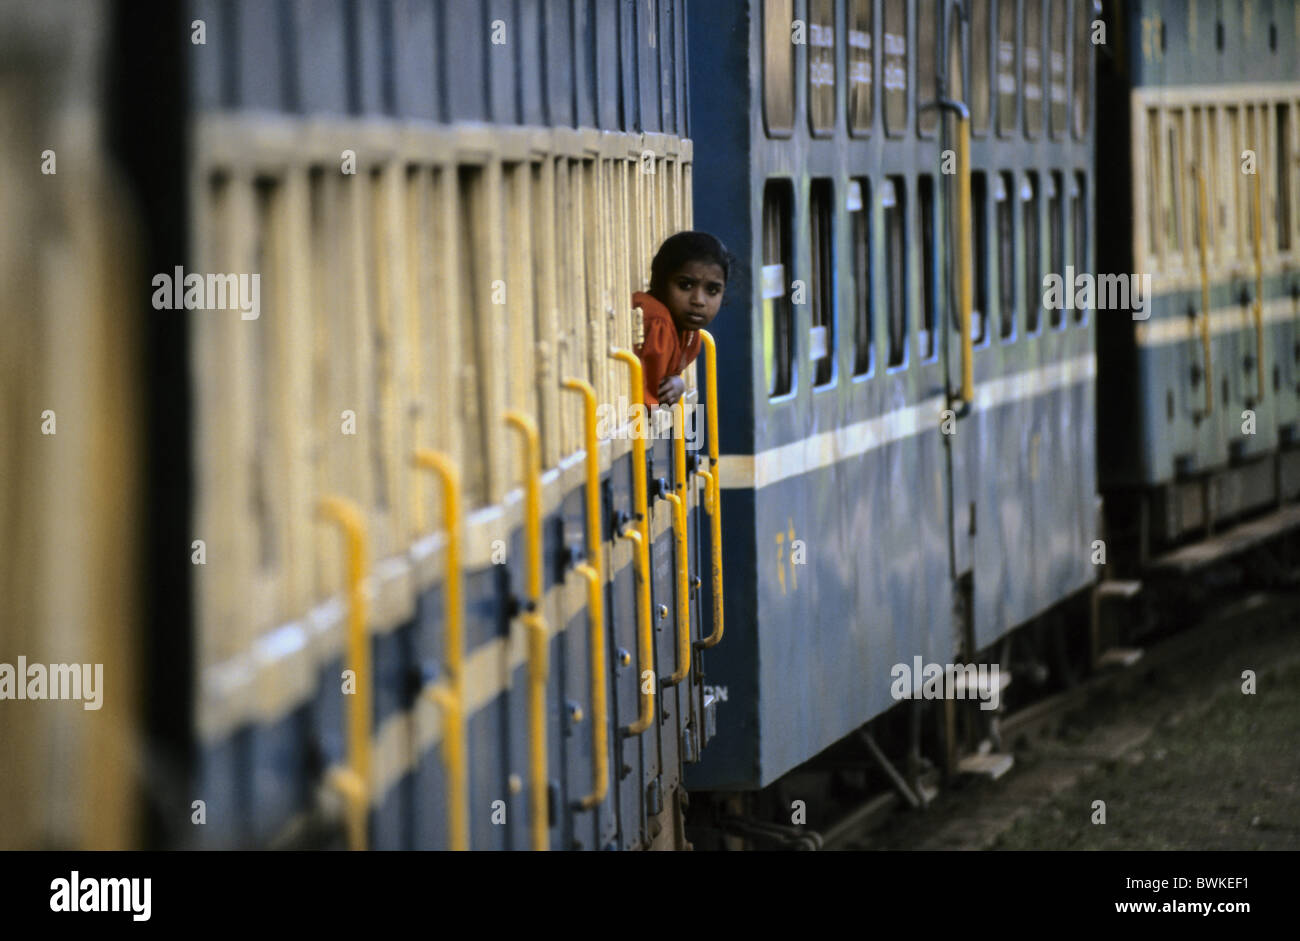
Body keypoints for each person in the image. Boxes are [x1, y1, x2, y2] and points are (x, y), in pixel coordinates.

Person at [632, 231, 730, 407]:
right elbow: (648, 400)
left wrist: (678, 382)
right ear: (659, 281)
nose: (698, 300)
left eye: (712, 290)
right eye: (685, 285)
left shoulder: (689, 334)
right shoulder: (656, 320)